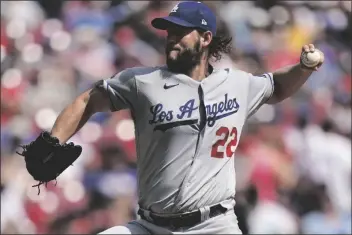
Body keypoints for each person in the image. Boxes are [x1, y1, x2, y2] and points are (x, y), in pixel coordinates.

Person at [26, 1, 324, 234]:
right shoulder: (142, 81)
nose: (172, 39)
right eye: (169, 32)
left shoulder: (237, 83)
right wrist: (54, 140)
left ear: (206, 38)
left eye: (181, 32)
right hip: (150, 227)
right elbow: (88, 100)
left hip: (215, 225)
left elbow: (276, 85)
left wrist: (303, 68)